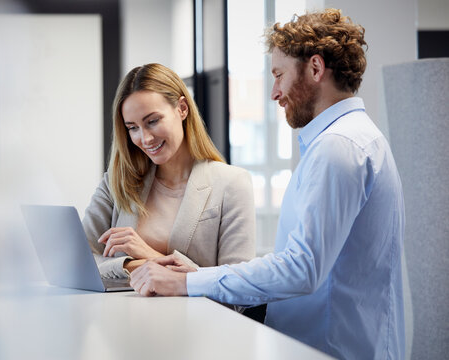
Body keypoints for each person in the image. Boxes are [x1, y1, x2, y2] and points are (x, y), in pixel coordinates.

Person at [130, 9, 405, 359]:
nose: (274, 93)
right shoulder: (354, 140)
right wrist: (204, 273)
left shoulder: (339, 148)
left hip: (331, 348)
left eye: (279, 75)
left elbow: (301, 270)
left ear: (316, 69)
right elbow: (306, 260)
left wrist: (188, 282)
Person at [82, 63, 256, 279]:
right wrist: (130, 265)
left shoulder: (232, 183)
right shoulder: (117, 182)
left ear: (182, 108)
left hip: (196, 314)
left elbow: (238, 286)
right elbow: (80, 262)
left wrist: (150, 255)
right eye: (133, 128)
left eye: (152, 121)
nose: (145, 139)